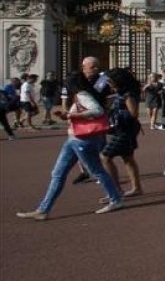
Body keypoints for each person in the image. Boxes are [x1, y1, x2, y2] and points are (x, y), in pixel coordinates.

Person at [16, 68, 125, 220]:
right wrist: (67, 116)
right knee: (58, 173)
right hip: (74, 138)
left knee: (96, 171)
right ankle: (43, 209)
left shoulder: (83, 94)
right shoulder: (83, 94)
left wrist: (72, 115)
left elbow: (97, 110)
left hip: (83, 139)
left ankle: (116, 198)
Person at [100, 68, 145, 198]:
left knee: (105, 157)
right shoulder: (121, 92)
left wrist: (115, 113)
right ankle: (136, 188)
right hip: (124, 129)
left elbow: (133, 113)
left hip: (125, 130)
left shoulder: (128, 94)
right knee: (127, 158)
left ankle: (116, 189)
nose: (109, 83)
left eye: (110, 81)